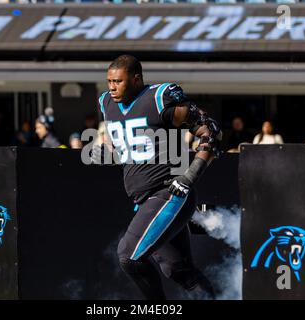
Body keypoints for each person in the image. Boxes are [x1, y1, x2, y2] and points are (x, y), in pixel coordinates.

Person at [92, 55, 221, 300]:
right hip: (144, 199)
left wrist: (189, 177)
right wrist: (108, 154)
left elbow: (210, 130)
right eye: (109, 81)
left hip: (169, 192)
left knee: (128, 256)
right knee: (179, 271)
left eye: (118, 81)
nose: (111, 87)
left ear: (136, 79)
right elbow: (129, 148)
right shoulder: (106, 103)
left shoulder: (159, 99)